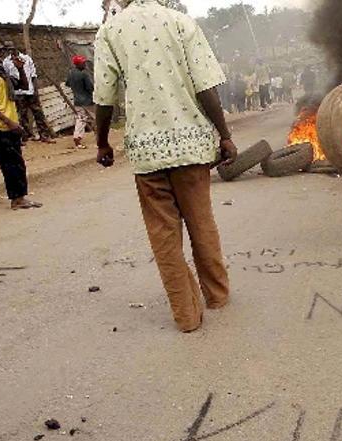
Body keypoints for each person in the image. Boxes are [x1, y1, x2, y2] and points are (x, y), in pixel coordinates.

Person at [94, 0, 236, 333]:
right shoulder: (180, 22)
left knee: (164, 235)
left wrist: (102, 142)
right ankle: (217, 296)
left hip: (146, 150)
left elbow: (104, 95)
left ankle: (186, 316)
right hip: (191, 145)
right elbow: (206, 86)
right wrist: (224, 135)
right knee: (202, 222)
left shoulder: (109, 31)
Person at [0, 38, 42, 210]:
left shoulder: (1, 70)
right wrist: (8, 121)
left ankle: (19, 197)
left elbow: (22, 85)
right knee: (10, 163)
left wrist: (20, 70)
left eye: (0, 51)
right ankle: (17, 199)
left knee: (16, 161)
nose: (0, 54)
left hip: (10, 122)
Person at [2, 41, 56, 144]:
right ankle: (25, 136)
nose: (10, 51)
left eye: (11, 48)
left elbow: (33, 75)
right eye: (8, 49)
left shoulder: (27, 59)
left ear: (16, 48)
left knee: (38, 113)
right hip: (18, 92)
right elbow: (7, 79)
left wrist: (35, 90)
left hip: (30, 91)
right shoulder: (6, 62)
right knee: (21, 115)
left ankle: (44, 135)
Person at [64, 55, 95, 149]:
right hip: (87, 100)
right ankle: (100, 138)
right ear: (78, 64)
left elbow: (67, 84)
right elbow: (90, 87)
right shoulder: (84, 74)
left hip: (77, 100)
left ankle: (77, 137)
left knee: (80, 119)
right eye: (83, 62)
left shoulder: (71, 73)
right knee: (96, 118)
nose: (84, 64)